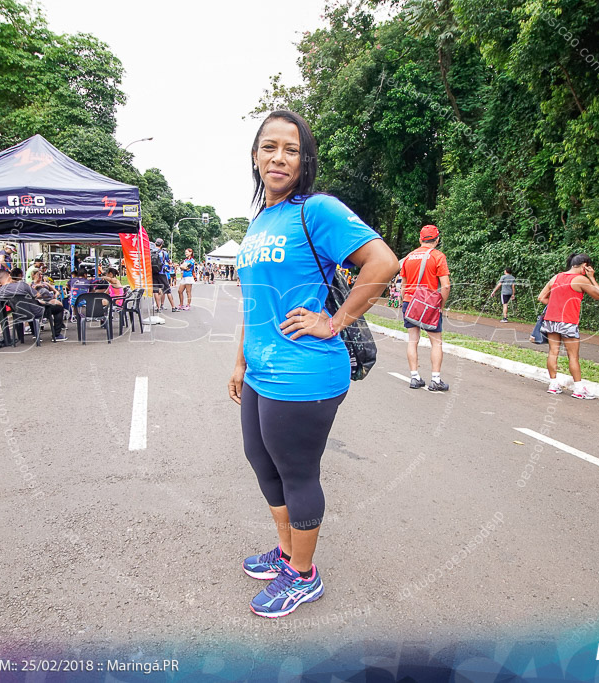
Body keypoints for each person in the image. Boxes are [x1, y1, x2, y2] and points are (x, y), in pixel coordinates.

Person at [228, 110, 399, 618]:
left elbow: (383, 263)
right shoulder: (259, 220)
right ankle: (286, 555)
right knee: (263, 465)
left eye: (291, 149)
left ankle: (303, 576)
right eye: (268, 147)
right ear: (255, 156)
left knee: (297, 473)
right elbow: (254, 299)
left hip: (305, 371)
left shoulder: (318, 210)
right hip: (261, 368)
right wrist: (239, 359)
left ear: (305, 161)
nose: (278, 157)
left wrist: (334, 321)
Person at [536, 253, 599, 398]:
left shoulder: (556, 277)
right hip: (568, 321)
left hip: (551, 320)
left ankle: (553, 385)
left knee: (553, 352)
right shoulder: (580, 279)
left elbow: (541, 297)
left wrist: (556, 306)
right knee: (573, 356)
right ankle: (579, 389)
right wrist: (592, 277)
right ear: (585, 265)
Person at [399, 224, 451, 391]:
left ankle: (414, 377)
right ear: (437, 240)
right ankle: (435, 380)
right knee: (436, 342)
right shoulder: (438, 257)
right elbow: (446, 286)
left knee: (413, 340)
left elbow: (403, 286)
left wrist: (404, 301)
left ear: (420, 239)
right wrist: (441, 305)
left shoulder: (408, 257)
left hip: (410, 302)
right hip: (429, 304)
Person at [0, 267, 43, 337]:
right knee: (57, 308)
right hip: (34, 312)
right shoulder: (22, 285)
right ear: (9, 276)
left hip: (17, 314)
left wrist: (0, 285)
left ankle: (20, 337)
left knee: (23, 309)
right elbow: (38, 295)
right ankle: (56, 335)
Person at [31, 270, 67, 341]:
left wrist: (56, 294)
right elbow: (31, 295)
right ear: (33, 275)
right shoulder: (30, 284)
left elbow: (56, 291)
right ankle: (35, 334)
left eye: (41, 275)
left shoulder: (45, 284)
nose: (41, 276)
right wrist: (36, 286)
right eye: (39, 275)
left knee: (59, 307)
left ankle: (57, 334)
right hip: (37, 304)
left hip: (49, 303)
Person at [149, 238, 177, 318]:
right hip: (162, 273)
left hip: (153, 273)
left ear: (155, 243)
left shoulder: (150, 252)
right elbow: (169, 261)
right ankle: (173, 307)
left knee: (155, 290)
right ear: (161, 245)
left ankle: (158, 308)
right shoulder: (164, 253)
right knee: (167, 290)